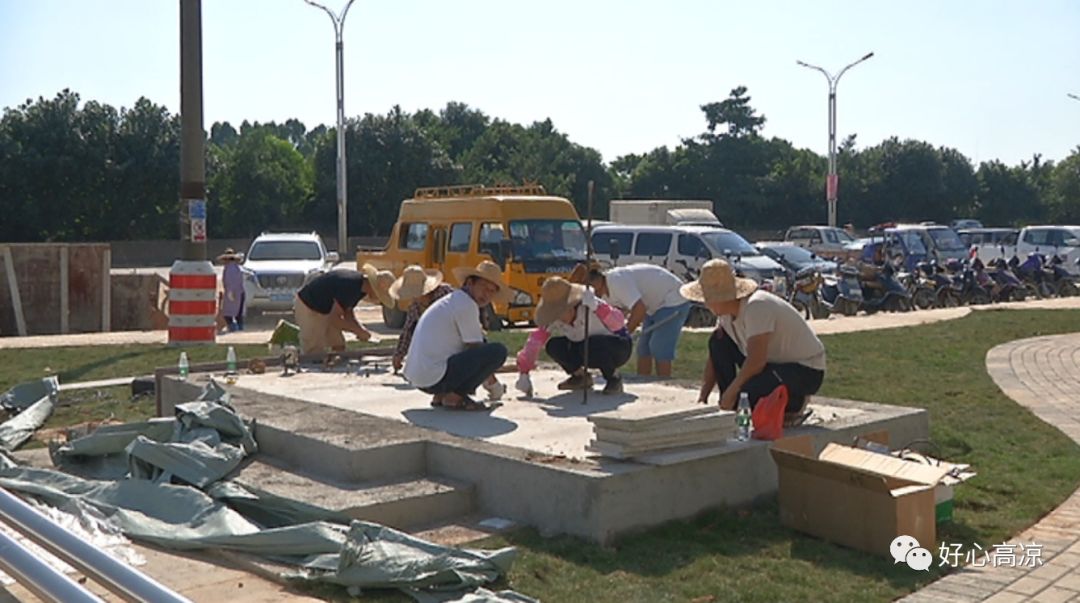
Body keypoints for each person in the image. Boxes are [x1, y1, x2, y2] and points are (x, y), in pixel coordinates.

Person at [686, 259, 825, 423]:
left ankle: (794, 404)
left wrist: (734, 391)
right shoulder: (724, 315)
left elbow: (756, 360)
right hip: (771, 363)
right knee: (718, 341)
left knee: (746, 396)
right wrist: (703, 398)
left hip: (804, 369)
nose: (706, 303)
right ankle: (730, 404)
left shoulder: (756, 306)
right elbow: (716, 355)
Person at [403, 260, 510, 410]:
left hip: (420, 377)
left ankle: (441, 394)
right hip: (434, 377)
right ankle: (455, 396)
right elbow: (476, 349)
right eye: (484, 288)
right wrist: (494, 386)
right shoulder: (466, 304)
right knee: (497, 352)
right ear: (470, 283)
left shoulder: (454, 300)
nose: (486, 295)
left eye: (492, 291)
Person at [515, 277, 632, 395]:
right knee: (554, 345)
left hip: (617, 346)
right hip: (584, 347)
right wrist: (524, 372)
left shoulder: (591, 304)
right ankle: (581, 377)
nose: (559, 318)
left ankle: (613, 378)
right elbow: (535, 342)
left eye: (561, 312)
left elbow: (619, 323)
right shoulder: (554, 320)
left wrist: (598, 307)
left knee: (590, 345)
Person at [586, 264, 691, 378]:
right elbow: (620, 312)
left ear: (595, 282)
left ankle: (664, 383)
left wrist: (624, 335)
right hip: (653, 306)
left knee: (658, 347)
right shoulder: (604, 291)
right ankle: (643, 382)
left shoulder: (617, 281)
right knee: (643, 349)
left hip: (672, 300)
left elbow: (639, 310)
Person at [293, 264, 394, 355]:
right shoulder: (351, 286)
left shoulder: (359, 287)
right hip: (309, 307)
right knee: (314, 351)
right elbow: (335, 320)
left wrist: (361, 330)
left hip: (326, 310)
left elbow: (347, 313)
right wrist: (356, 330)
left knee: (338, 344)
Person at [389, 265, 454, 373]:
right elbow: (408, 331)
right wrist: (399, 354)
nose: (414, 297)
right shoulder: (415, 306)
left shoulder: (446, 295)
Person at [217, 248, 246, 332]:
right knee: (238, 314)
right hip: (240, 292)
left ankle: (234, 329)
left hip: (232, 293)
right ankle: (240, 329)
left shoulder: (229, 269)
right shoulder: (237, 268)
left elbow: (230, 282)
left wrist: (230, 293)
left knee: (228, 314)